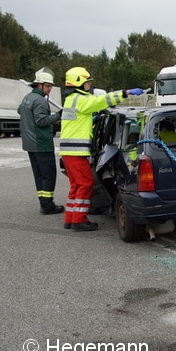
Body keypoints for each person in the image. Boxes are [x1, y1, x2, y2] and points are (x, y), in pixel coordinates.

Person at [60, 66, 143, 232]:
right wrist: (125, 92)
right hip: (76, 152)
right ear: (79, 83)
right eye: (87, 83)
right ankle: (79, 221)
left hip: (68, 152)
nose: (89, 86)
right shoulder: (81, 99)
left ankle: (70, 218)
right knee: (85, 183)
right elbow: (102, 100)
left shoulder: (71, 100)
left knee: (76, 185)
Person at [17, 67, 64, 214]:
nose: (50, 89)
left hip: (30, 144)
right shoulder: (40, 101)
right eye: (48, 86)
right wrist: (58, 115)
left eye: (50, 86)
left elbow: (20, 111)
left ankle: (43, 202)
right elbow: (42, 121)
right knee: (48, 174)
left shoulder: (27, 98)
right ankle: (47, 205)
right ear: (39, 85)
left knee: (39, 174)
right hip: (41, 143)